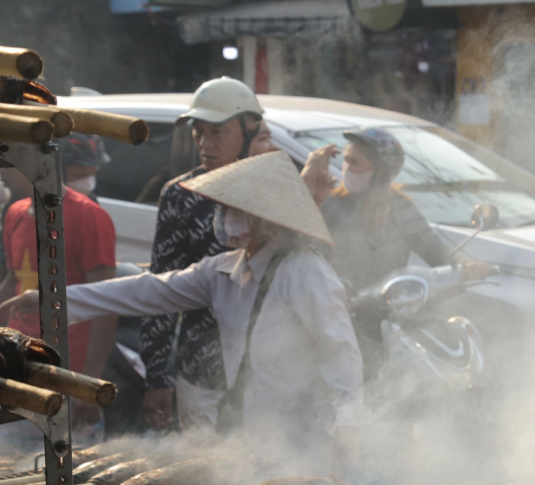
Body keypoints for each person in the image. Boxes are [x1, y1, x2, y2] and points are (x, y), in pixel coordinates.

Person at [0, 151, 363, 464]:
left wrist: (348, 424)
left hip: (303, 436)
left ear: (260, 217)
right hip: (250, 433)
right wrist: (54, 299)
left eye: (231, 209)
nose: (221, 215)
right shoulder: (223, 269)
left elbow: (341, 353)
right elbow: (147, 291)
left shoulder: (306, 272)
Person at [141, 77, 336, 433]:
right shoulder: (181, 195)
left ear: (248, 132)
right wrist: (157, 377)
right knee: (205, 468)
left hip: (279, 378)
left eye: (217, 133)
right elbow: (161, 290)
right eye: (199, 133)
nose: (205, 144)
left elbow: (310, 272)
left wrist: (313, 198)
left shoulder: (284, 191)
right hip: (204, 379)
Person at [0, 133, 117, 431]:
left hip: (70, 375)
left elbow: (107, 302)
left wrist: (91, 382)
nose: (2, 171)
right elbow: (12, 282)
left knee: (69, 458)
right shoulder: (14, 213)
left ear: (31, 162)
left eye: (7, 162)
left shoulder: (89, 216)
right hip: (20, 371)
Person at [321, 127, 450, 291]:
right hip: (337, 302)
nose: (346, 168)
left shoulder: (401, 208)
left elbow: (437, 252)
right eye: (346, 161)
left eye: (355, 162)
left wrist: (466, 267)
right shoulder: (330, 204)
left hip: (389, 302)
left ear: (380, 171)